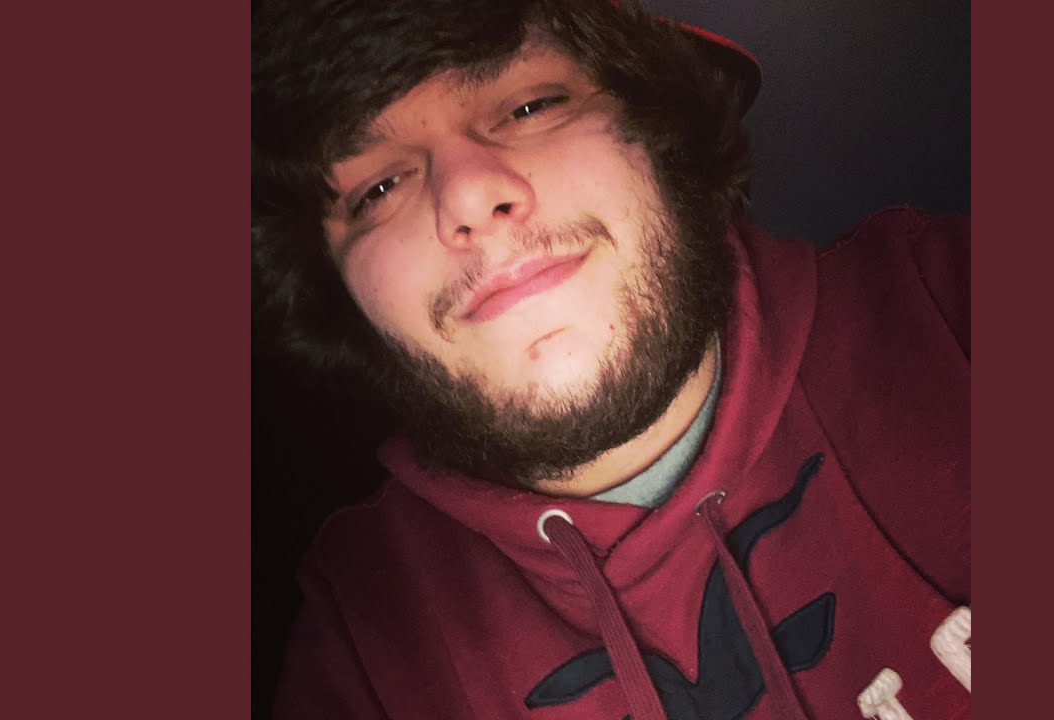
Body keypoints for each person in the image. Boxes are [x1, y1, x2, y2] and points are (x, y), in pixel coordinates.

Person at [253, 0, 970, 717]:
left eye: (530, 107)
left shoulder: (948, 311)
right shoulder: (367, 644)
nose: (467, 195)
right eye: (377, 189)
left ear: (660, 132)